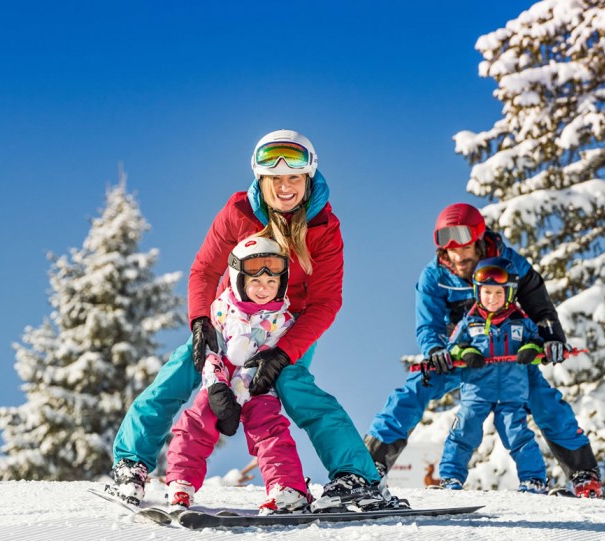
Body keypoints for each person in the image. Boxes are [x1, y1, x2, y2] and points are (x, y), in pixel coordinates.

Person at [106, 129, 405, 512]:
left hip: (285, 327)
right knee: (180, 372)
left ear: (308, 178)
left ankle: (356, 477)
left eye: (294, 178)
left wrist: (282, 353)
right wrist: (201, 324)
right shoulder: (238, 213)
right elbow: (203, 271)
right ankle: (131, 462)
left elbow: (326, 301)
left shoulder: (324, 230)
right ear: (261, 179)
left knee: (295, 386)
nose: (285, 187)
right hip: (230, 319)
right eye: (275, 178)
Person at [365, 203, 604, 499]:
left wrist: (551, 338)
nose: (457, 255)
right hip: (464, 355)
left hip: (511, 354)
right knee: (413, 391)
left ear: (478, 239)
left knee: (546, 401)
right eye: (448, 246)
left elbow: (540, 307)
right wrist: (436, 351)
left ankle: (584, 477)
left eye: (463, 245)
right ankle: (368, 467)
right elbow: (428, 324)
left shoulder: (510, 263)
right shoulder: (434, 276)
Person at [165, 236, 310, 515]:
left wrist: (242, 390)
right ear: (239, 279)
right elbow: (212, 351)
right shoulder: (220, 309)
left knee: (269, 429)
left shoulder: (283, 321)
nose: (264, 289)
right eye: (255, 281)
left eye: (272, 282)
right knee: (197, 421)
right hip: (219, 379)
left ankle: (286, 488)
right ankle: (181, 481)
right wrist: (218, 386)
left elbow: (267, 357)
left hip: (257, 384)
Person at [437, 257, 548, 493]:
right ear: (478, 292)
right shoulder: (470, 322)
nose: (492, 299)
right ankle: (450, 478)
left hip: (511, 392)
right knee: (464, 429)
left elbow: (538, 343)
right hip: (477, 390)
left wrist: (531, 349)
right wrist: (466, 352)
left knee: (517, 434)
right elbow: (453, 346)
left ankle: (534, 480)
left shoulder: (521, 321)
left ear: (509, 294)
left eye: (499, 293)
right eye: (487, 293)